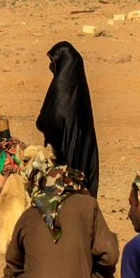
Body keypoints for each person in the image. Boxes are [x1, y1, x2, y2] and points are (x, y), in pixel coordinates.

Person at [36, 41, 100, 197]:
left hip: (60, 157)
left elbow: (49, 120)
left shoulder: (60, 88)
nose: (51, 67)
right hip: (81, 157)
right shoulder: (79, 88)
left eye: (53, 62)